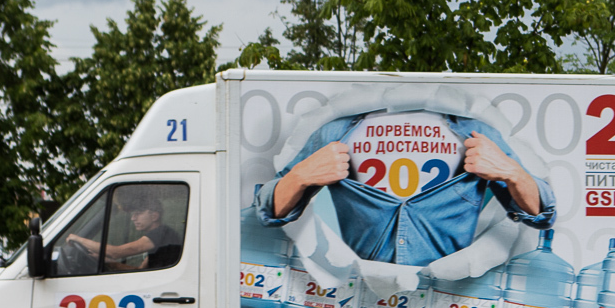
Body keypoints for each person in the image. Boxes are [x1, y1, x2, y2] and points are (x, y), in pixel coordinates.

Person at [254, 111, 556, 267]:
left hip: (449, 307)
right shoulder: (336, 132)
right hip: (363, 306)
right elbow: (270, 210)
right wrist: (300, 176)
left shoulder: (478, 133)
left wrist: (511, 172)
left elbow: (541, 214)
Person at [66, 192, 179, 270]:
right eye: (133, 214)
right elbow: (140, 270)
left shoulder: (161, 234)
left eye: (138, 214)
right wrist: (107, 261)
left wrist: (78, 239)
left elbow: (116, 252)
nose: (133, 218)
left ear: (154, 216)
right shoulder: (160, 237)